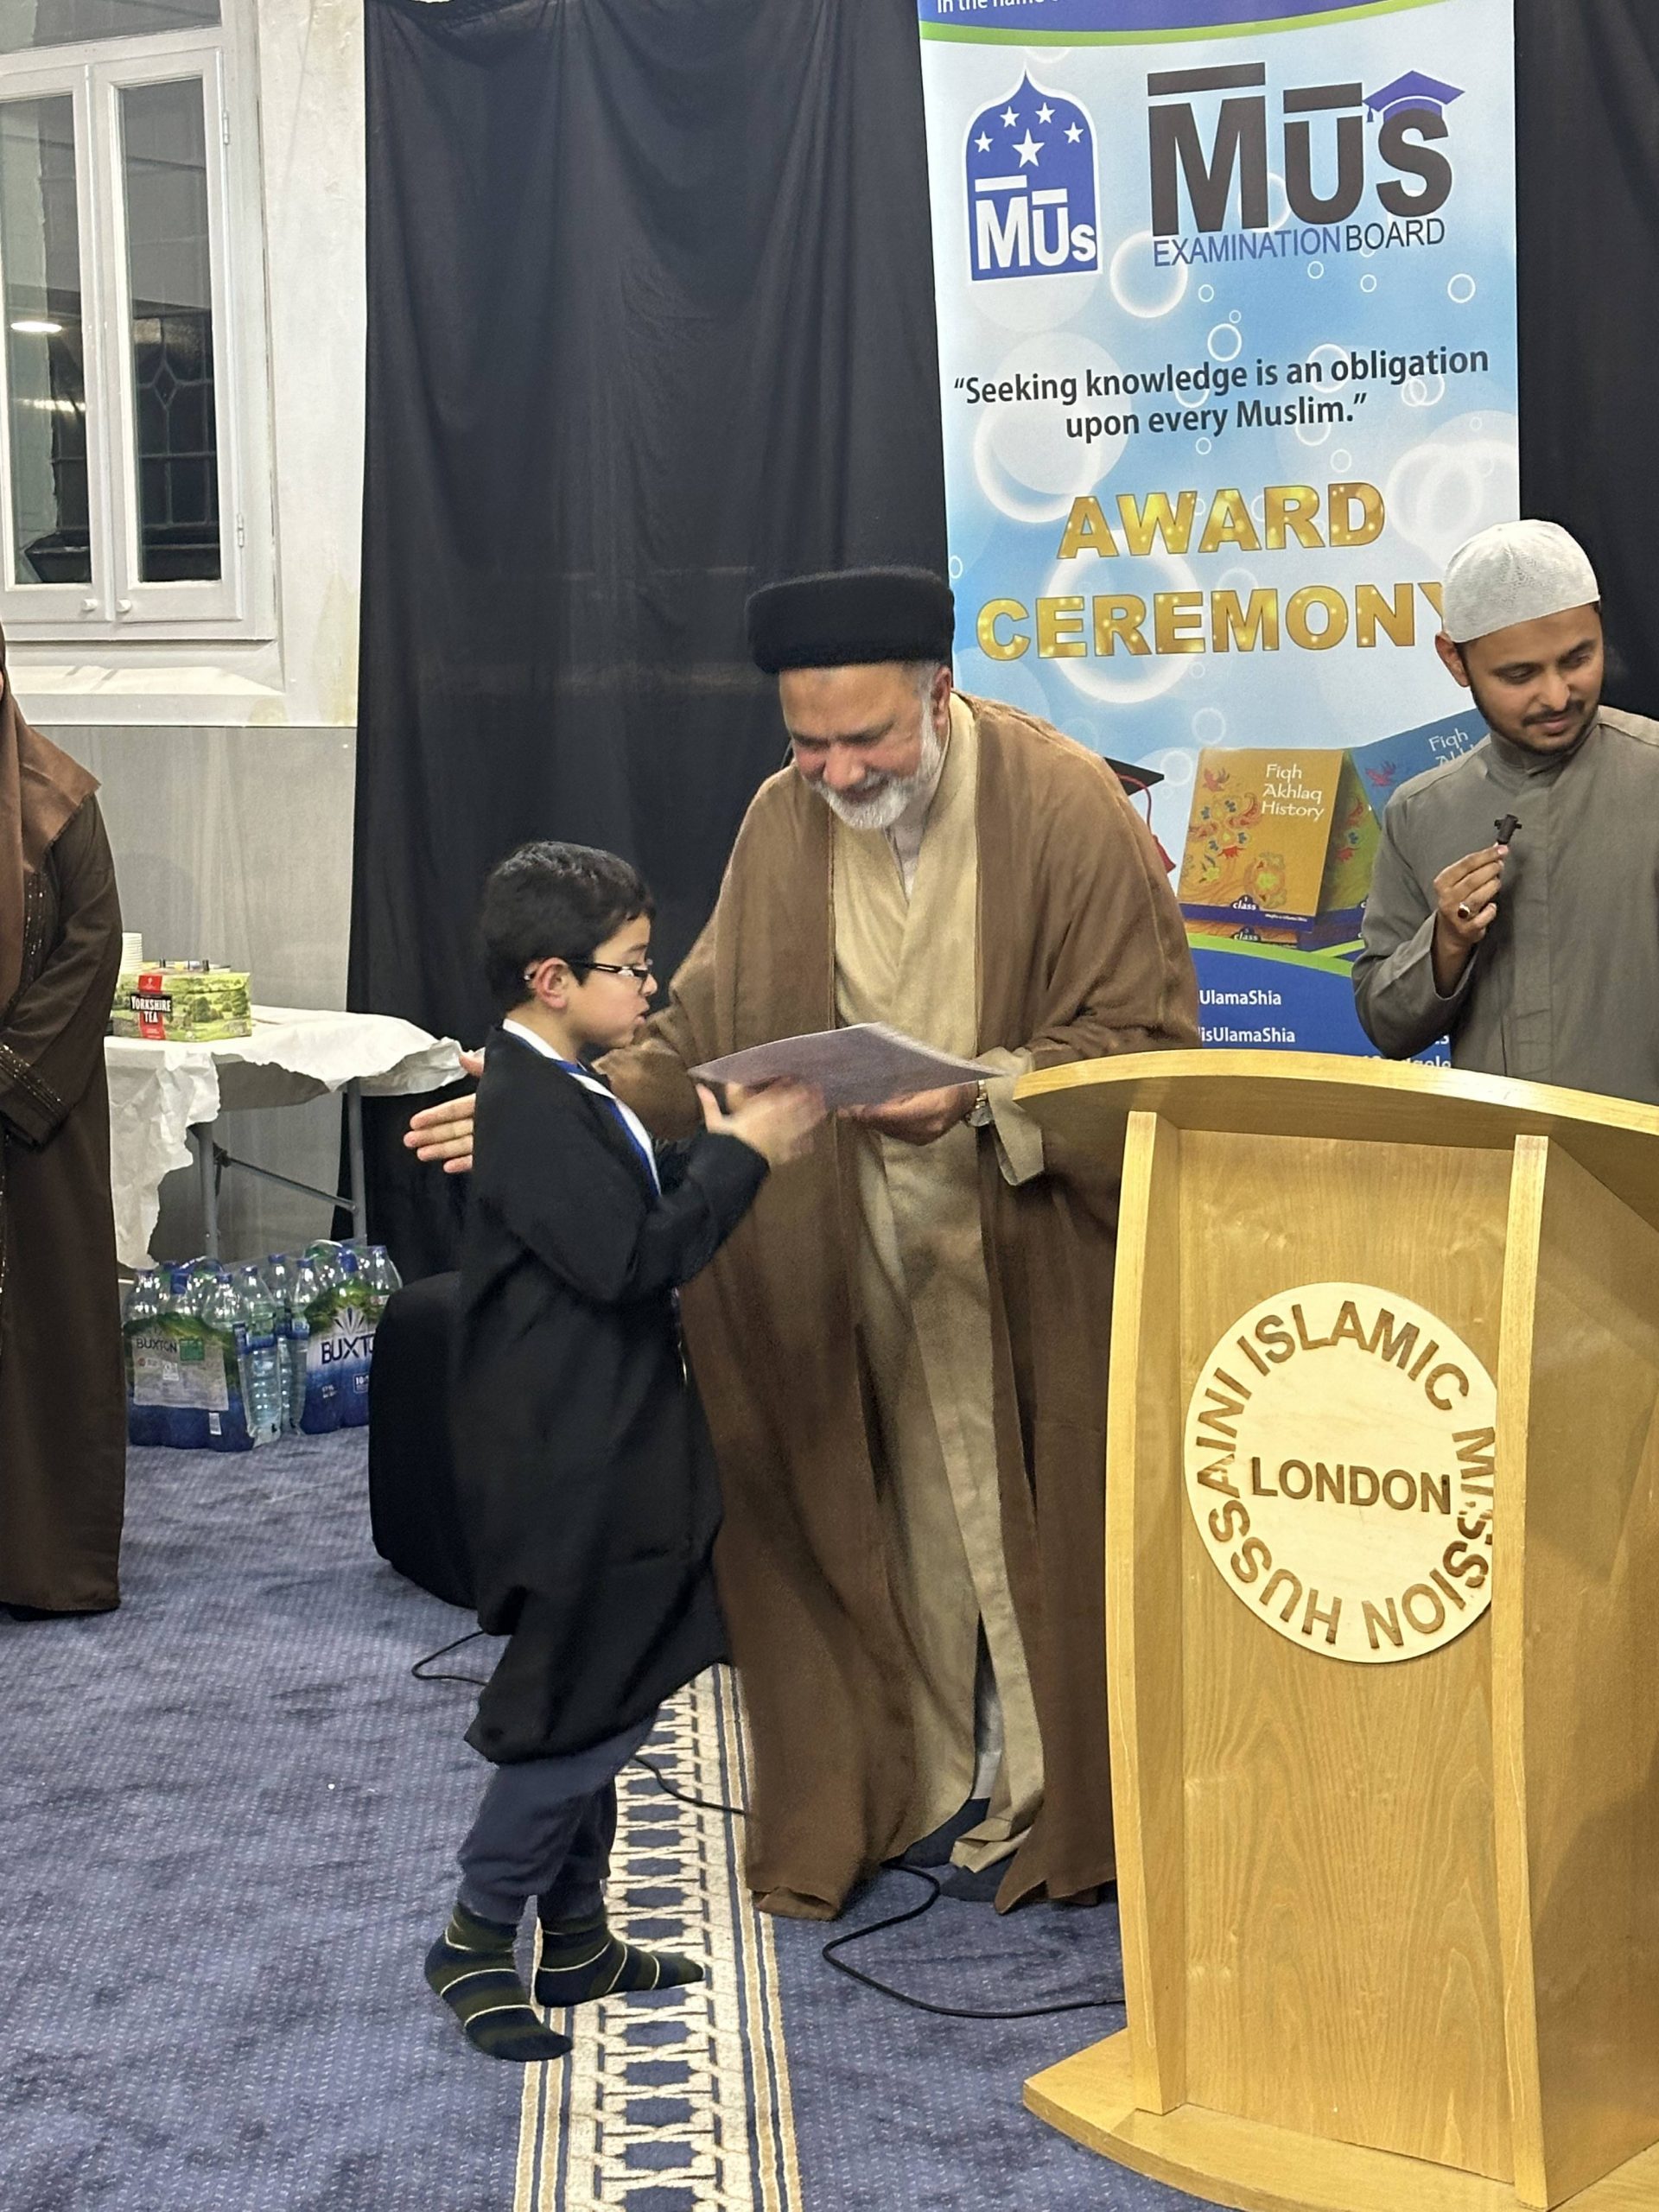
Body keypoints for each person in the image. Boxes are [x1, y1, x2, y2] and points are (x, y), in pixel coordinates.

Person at [410, 568, 1198, 1919]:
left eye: (865, 738)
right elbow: (700, 1029)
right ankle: (920, 1781)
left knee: (1037, 1524)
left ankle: (1055, 1790)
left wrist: (982, 1094)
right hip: (848, 1237)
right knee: (886, 1512)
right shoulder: (786, 816)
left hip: (1023, 1236)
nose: (836, 772)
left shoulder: (1066, 805)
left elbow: (1144, 1044)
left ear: (939, 697)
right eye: (808, 743)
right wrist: (563, 1106)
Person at [425, 840, 820, 2063]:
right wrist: (748, 1156)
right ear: (552, 978)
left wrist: (708, 1147)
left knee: (615, 1679)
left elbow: (620, 1213)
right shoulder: (531, 1106)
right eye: (632, 968)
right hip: (570, 1459)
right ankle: (475, 1939)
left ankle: (579, 1936)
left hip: (606, 1439)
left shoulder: (563, 1086)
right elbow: (631, 1260)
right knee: (578, 1707)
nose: (650, 989)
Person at [1355, 518, 1659, 1103]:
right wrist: (1446, 942)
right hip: (1494, 1157)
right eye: (1519, 675)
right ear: (1455, 661)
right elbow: (1385, 1024)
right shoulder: (1419, 811)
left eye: (1578, 659)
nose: (1557, 695)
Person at [0, 635, 125, 1618]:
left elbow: (93, 945)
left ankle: (41, 1561)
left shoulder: (61, 804)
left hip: (31, 1120)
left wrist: (10, 1073)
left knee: (41, 1330)